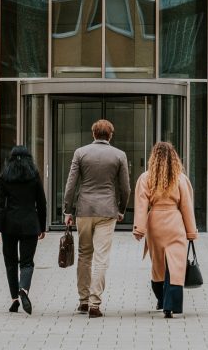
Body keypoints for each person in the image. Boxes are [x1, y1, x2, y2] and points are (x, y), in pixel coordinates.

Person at [63, 119, 131, 318]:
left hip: (84, 210)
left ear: (93, 134)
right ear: (110, 135)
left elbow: (70, 185)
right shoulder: (119, 155)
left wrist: (68, 211)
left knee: (84, 255)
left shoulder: (80, 153)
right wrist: (121, 209)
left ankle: (83, 301)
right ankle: (95, 303)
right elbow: (125, 187)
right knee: (101, 257)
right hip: (107, 211)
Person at [133, 142, 198, 319]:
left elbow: (141, 205)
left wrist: (139, 228)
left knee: (158, 265)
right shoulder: (181, 178)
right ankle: (171, 305)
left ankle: (161, 299)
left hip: (155, 223)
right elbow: (186, 207)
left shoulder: (146, 178)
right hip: (175, 223)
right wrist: (191, 232)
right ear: (174, 158)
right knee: (175, 267)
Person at [0, 146, 46, 315]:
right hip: (30, 224)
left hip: (9, 225)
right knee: (27, 262)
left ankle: (14, 299)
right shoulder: (34, 176)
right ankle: (24, 289)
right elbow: (41, 203)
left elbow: (0, 205)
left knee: (10, 262)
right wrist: (42, 227)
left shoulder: (5, 177)